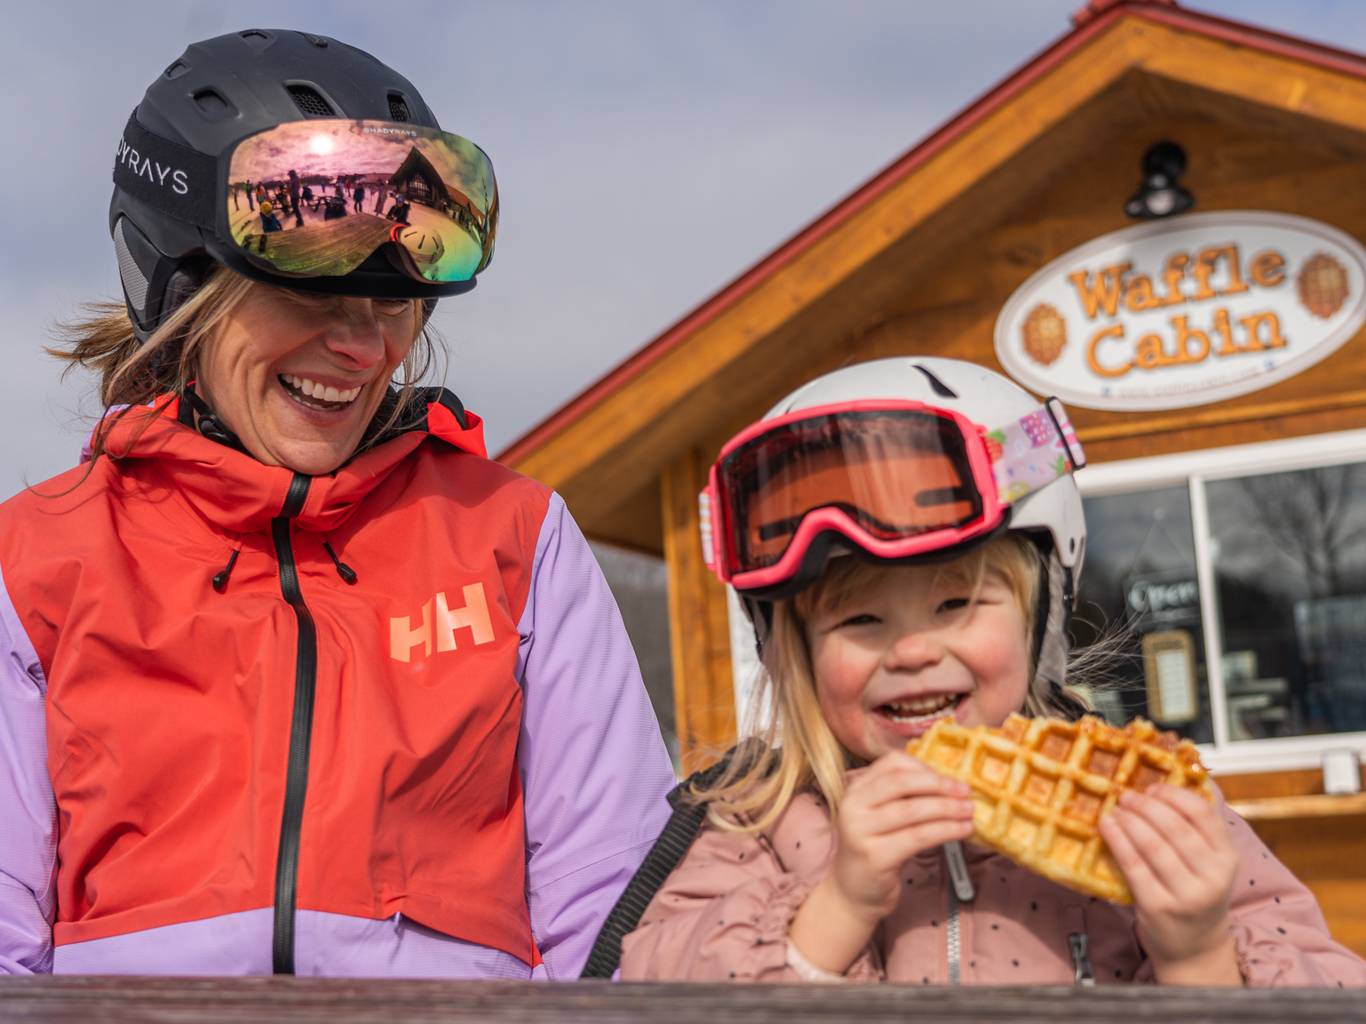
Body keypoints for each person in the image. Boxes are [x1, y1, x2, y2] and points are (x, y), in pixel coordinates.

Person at [0, 28, 674, 979]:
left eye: (393, 303)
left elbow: (618, 921)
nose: (363, 348)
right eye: (312, 295)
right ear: (181, 283)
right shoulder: (37, 563)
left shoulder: (513, 542)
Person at [618, 357, 1366, 987]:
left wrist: (1197, 952)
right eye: (860, 620)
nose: (911, 652)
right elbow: (659, 994)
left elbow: (1322, 986)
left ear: (1042, 616)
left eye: (955, 603)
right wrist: (836, 908)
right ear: (792, 650)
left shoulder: (1154, 813)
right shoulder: (748, 830)